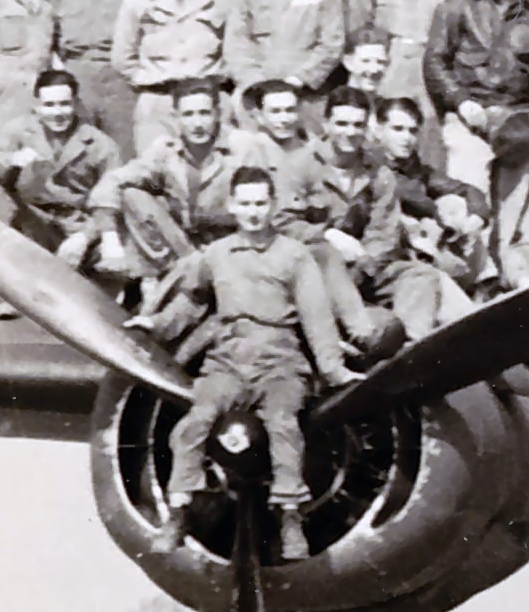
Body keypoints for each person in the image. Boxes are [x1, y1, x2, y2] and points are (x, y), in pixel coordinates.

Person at [140, 164, 365, 556]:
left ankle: (291, 519)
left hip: (280, 359)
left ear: (273, 205)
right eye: (245, 203)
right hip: (227, 360)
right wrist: (155, 324)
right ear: (232, 206)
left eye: (261, 203)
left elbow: (316, 315)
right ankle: (179, 512)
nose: (254, 211)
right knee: (195, 423)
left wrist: (332, 368)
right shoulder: (216, 254)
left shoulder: (296, 256)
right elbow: (192, 301)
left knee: (283, 425)